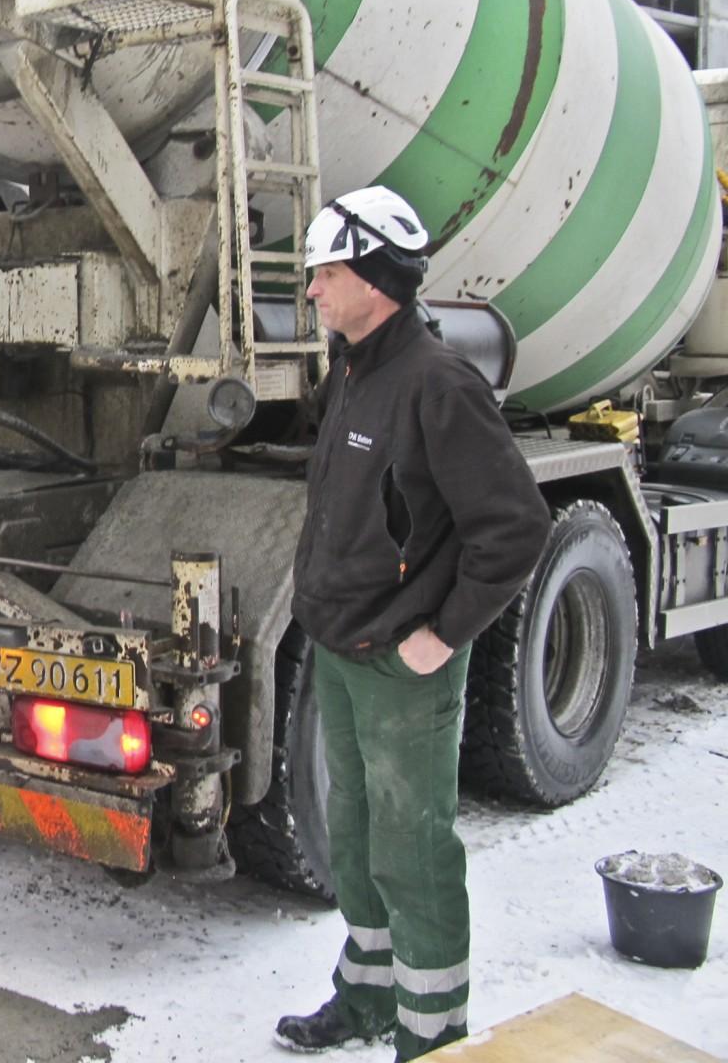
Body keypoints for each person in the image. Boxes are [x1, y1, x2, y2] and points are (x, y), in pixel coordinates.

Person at [276, 186, 550, 1060]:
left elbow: (515, 527)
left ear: (372, 279)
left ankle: (433, 1040)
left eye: (323, 273)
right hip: (342, 648)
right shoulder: (355, 368)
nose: (312, 291)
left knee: (414, 855)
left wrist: (445, 631)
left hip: (403, 663)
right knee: (354, 846)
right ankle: (364, 1001)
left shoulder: (437, 383)